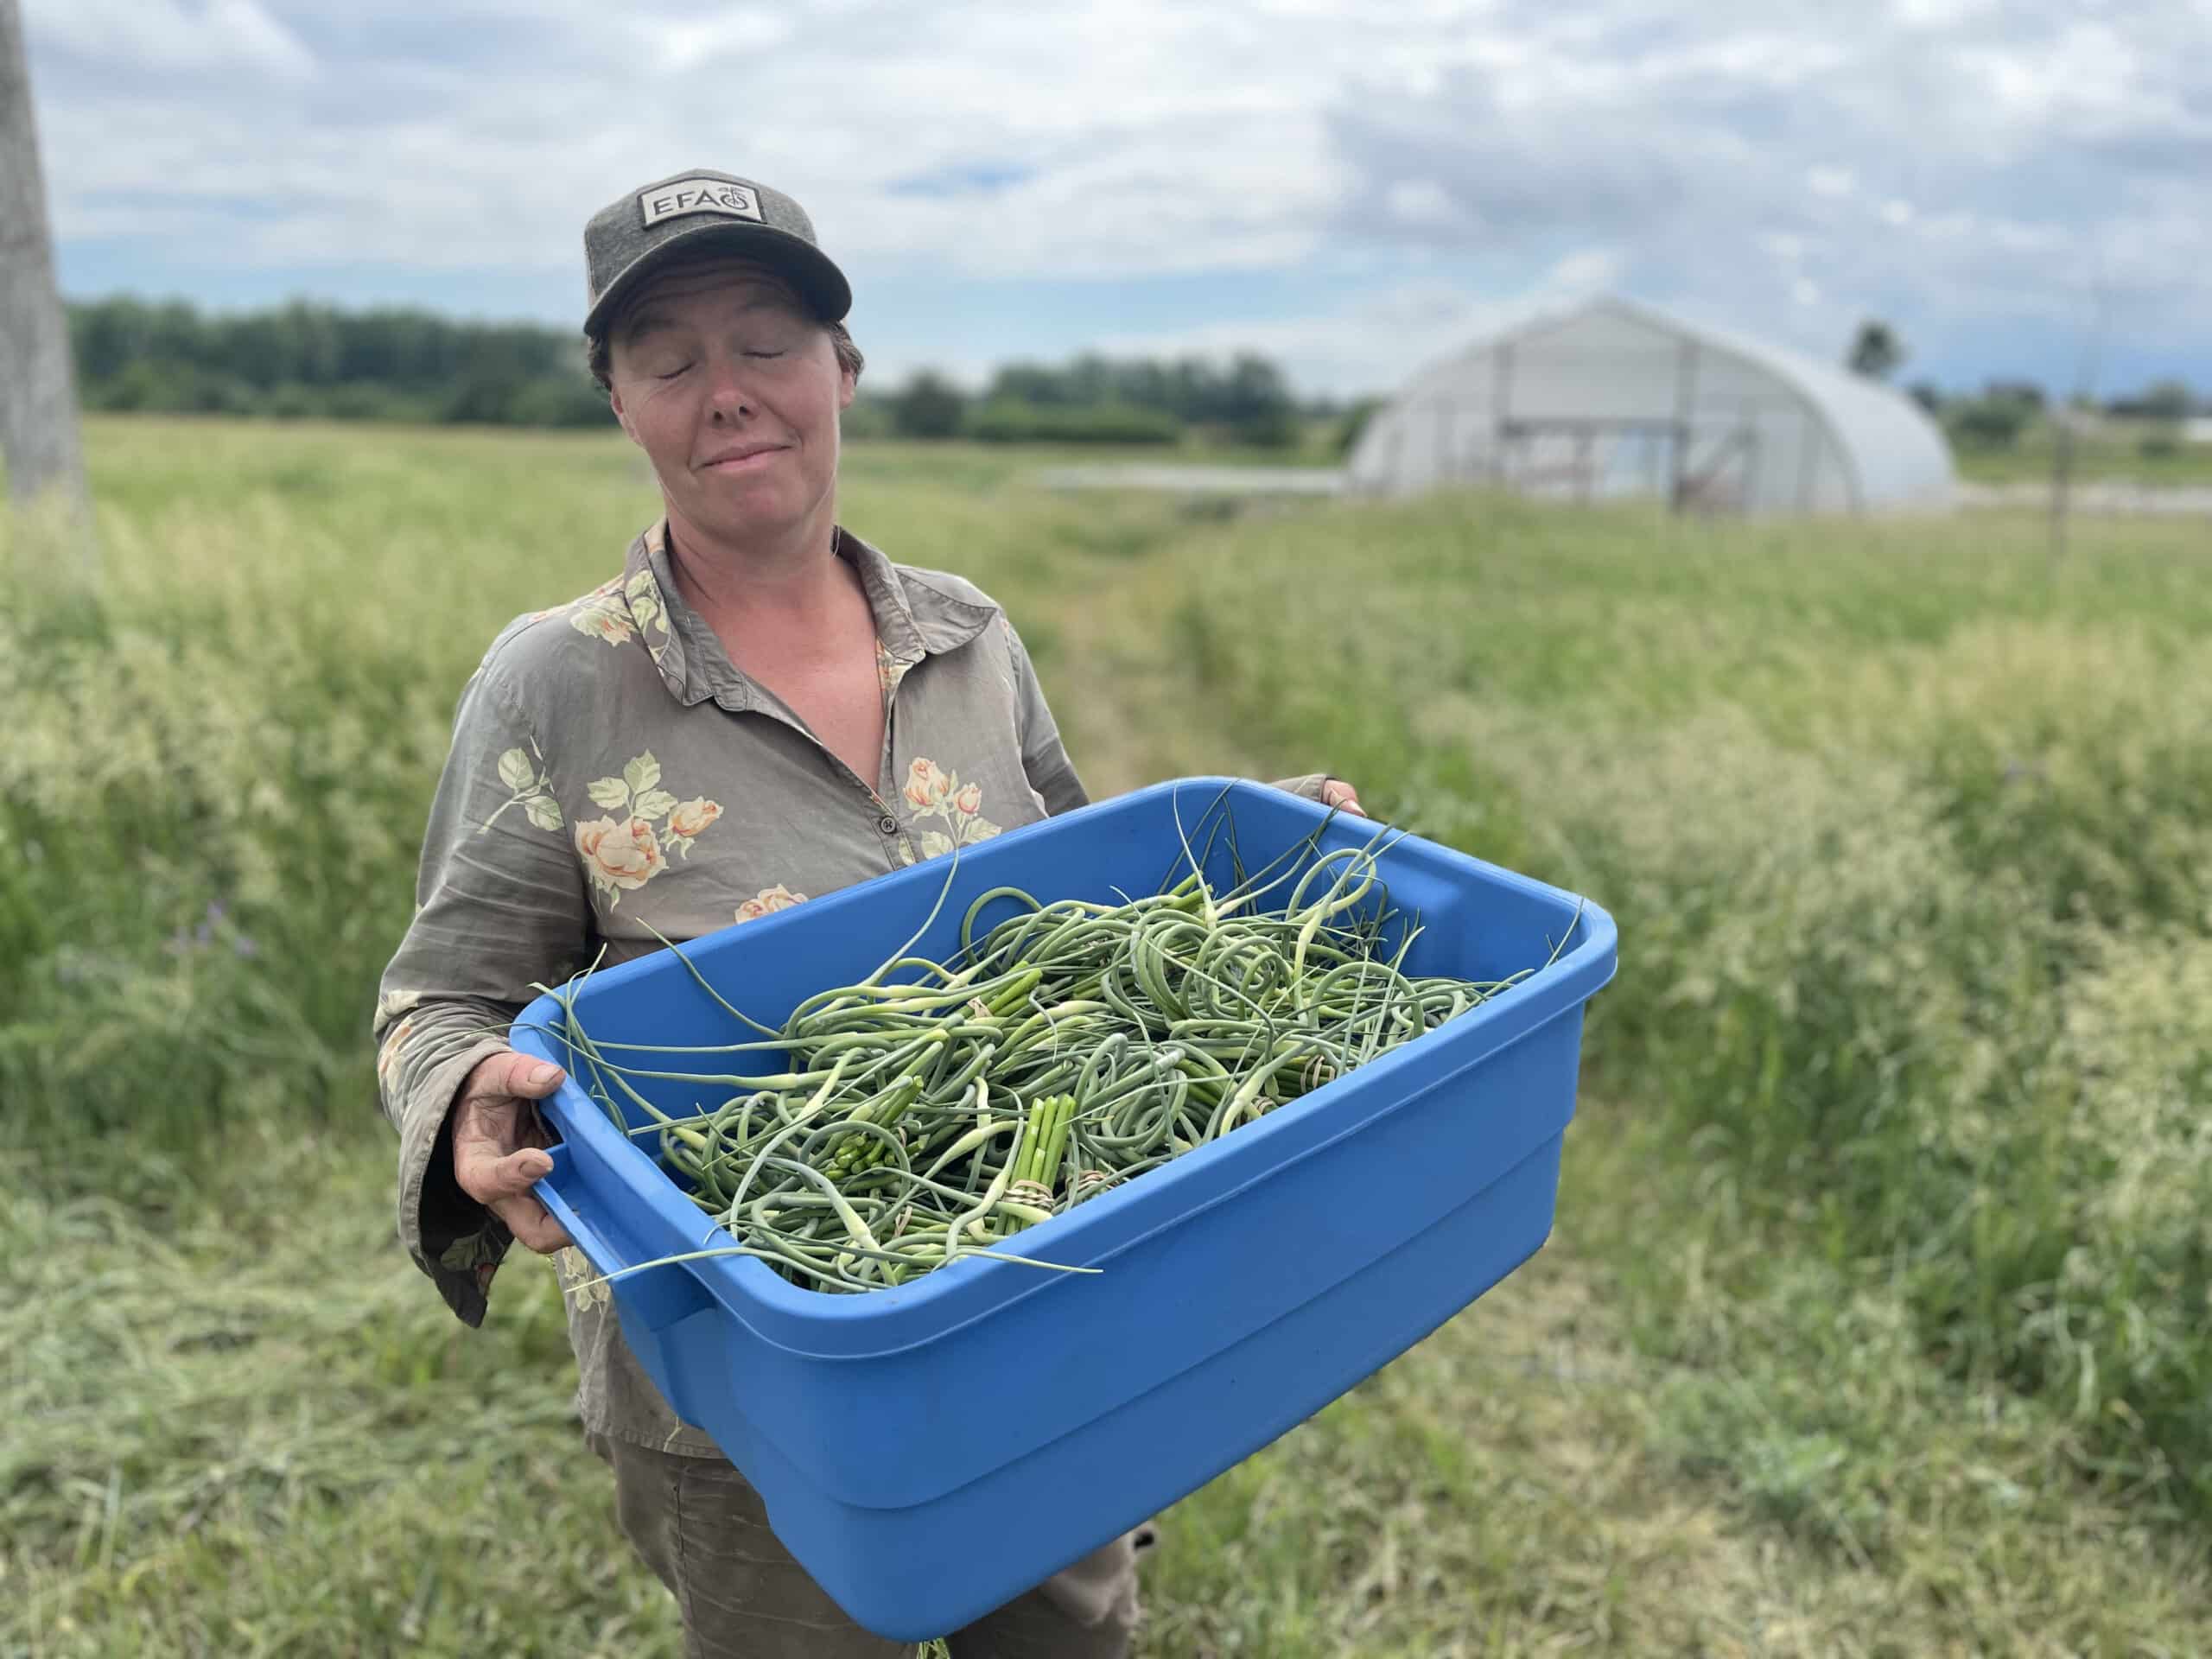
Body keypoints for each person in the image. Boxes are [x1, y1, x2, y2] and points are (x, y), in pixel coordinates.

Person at [372, 167, 1366, 1658]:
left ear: (842, 368)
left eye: (767, 340)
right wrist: (460, 1099)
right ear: (620, 403)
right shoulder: (555, 682)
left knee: (1070, 1629)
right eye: (670, 358)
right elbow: (439, 1000)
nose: (728, 393)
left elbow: (1076, 909)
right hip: (751, 1360)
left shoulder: (969, 637)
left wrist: (1246, 852)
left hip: (1038, 1284)